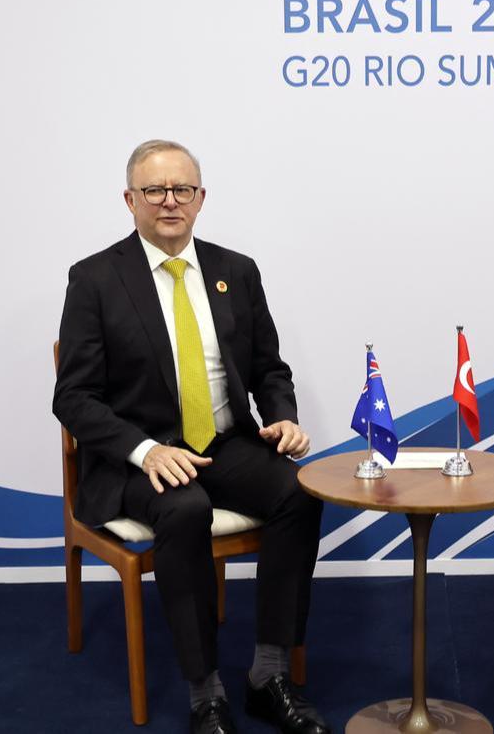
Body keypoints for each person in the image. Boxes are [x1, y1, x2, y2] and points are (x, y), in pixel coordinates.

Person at [53, 139, 329, 734]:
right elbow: (72, 398)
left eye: (183, 189)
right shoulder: (95, 279)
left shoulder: (236, 271)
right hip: (138, 457)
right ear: (130, 200)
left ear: (202, 198)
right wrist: (145, 450)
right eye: (155, 190)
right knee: (184, 510)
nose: (170, 201)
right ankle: (206, 693)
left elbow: (268, 369)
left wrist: (280, 414)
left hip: (223, 443)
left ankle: (268, 674)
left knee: (298, 490)